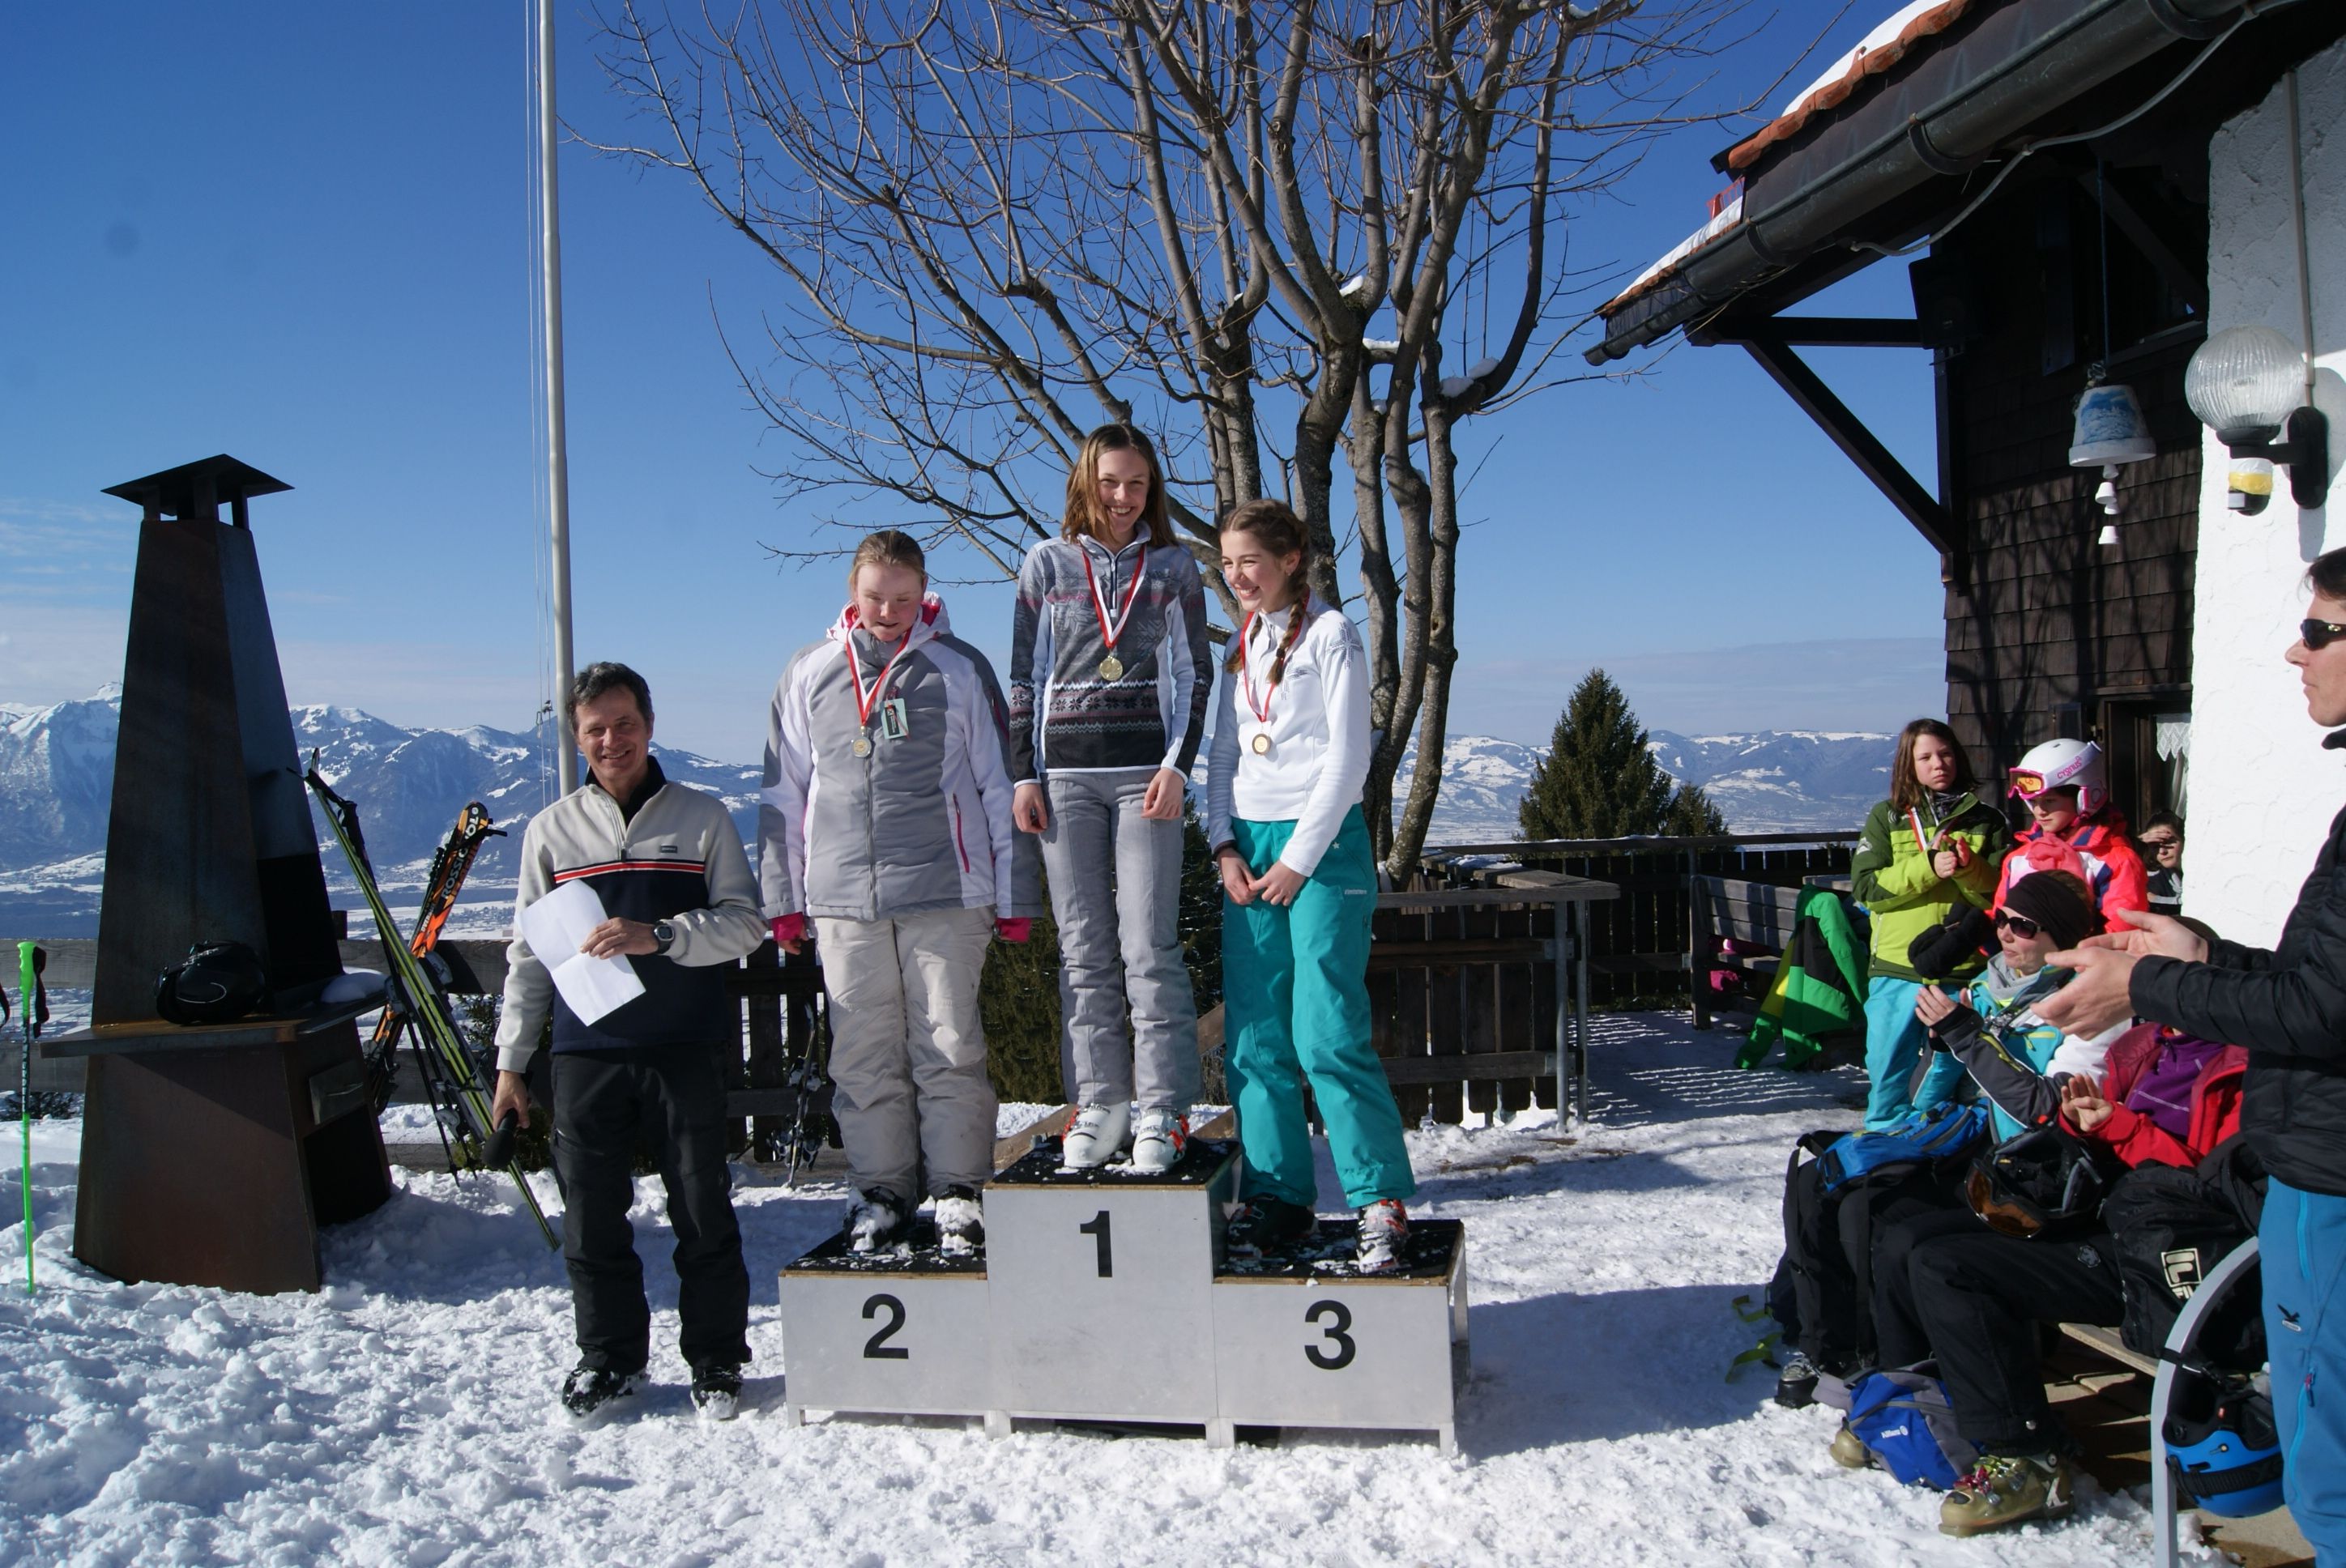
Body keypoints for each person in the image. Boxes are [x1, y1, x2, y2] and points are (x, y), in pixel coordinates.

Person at [2037, 549, 2346, 1562]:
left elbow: (2320, 1010)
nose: (2294, 652)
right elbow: (2319, 984)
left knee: (2333, 1477)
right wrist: (2201, 957)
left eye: (2319, 631)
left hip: (2333, 1184)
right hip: (2310, 1171)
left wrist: (2145, 987)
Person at [489, 663, 768, 1421]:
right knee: (590, 1215)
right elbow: (528, 956)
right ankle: (609, 1359)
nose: (612, 740)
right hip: (586, 1051)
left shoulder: (703, 818)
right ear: (576, 738)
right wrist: (513, 1063)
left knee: (702, 1207)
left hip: (684, 1043)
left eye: (625, 724)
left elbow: (745, 923)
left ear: (649, 725)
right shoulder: (552, 832)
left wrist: (663, 936)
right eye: (596, 729)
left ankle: (716, 1358)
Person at [1851, 1012, 2247, 1537]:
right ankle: (1912, 1403)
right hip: (2106, 1215)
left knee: (1950, 1267)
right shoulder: (2147, 1045)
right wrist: (2079, 1122)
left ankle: (2029, 1454)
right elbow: (2097, 1142)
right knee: (1908, 1235)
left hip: (2163, 1259)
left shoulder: (2237, 1069)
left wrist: (2119, 1128)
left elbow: (2214, 1195)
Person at [760, 530, 1040, 1255]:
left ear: (925, 594)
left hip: (947, 891)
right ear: (852, 594)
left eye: (903, 599)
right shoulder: (809, 670)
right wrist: (783, 898)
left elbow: (1000, 784)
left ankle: (960, 1189)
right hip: (842, 897)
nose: (888, 612)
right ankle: (880, 1190)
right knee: (861, 1054)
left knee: (949, 1044)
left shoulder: (957, 667)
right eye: (875, 598)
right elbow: (784, 793)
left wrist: (1015, 895)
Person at [1203, 500, 1415, 1272]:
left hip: (1319, 847)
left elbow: (1350, 760)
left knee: (1325, 1032)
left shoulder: (1332, 635)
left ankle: (1377, 1199)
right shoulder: (1243, 641)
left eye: (1250, 562)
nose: (1237, 576)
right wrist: (1223, 845)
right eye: (1228, 563)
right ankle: (1279, 1195)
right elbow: (1223, 754)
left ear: (1291, 560)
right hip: (1250, 845)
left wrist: (1298, 859)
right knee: (1256, 1038)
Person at [1007, 423, 1211, 1172]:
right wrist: (1024, 774)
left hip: (1143, 779)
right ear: (1086, 482)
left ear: (1152, 490)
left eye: (1137, 484)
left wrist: (1177, 766)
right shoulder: (1046, 563)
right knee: (1083, 951)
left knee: (1148, 947)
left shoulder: (1174, 568)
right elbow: (1025, 676)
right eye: (1110, 482)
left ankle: (1163, 1109)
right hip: (1065, 781)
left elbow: (1195, 673)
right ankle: (1099, 1100)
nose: (1123, 497)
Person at [1849, 720, 2007, 1128]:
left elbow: (1999, 896)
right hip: (1897, 968)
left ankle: (1944, 1149)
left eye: (1946, 753)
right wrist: (1928, 868)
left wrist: (1970, 870)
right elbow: (1867, 889)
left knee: (1954, 1075)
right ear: (1910, 765)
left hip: (1964, 968)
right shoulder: (1887, 818)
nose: (1938, 764)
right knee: (1888, 1073)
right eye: (1925, 757)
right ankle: (1884, 1148)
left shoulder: (1987, 821)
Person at [1992, 737, 2148, 933]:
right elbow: (2001, 916)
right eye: (2033, 802)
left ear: (2084, 798)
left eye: (2050, 801)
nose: (2040, 811)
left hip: (2089, 952)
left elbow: (2122, 929)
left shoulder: (2116, 861)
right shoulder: (2018, 859)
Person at [2140, 809, 2185, 915]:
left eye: (2168, 842)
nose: (2162, 851)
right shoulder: (2160, 876)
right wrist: (2137, 843)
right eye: (2155, 846)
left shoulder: (2202, 873)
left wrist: (2155, 899)